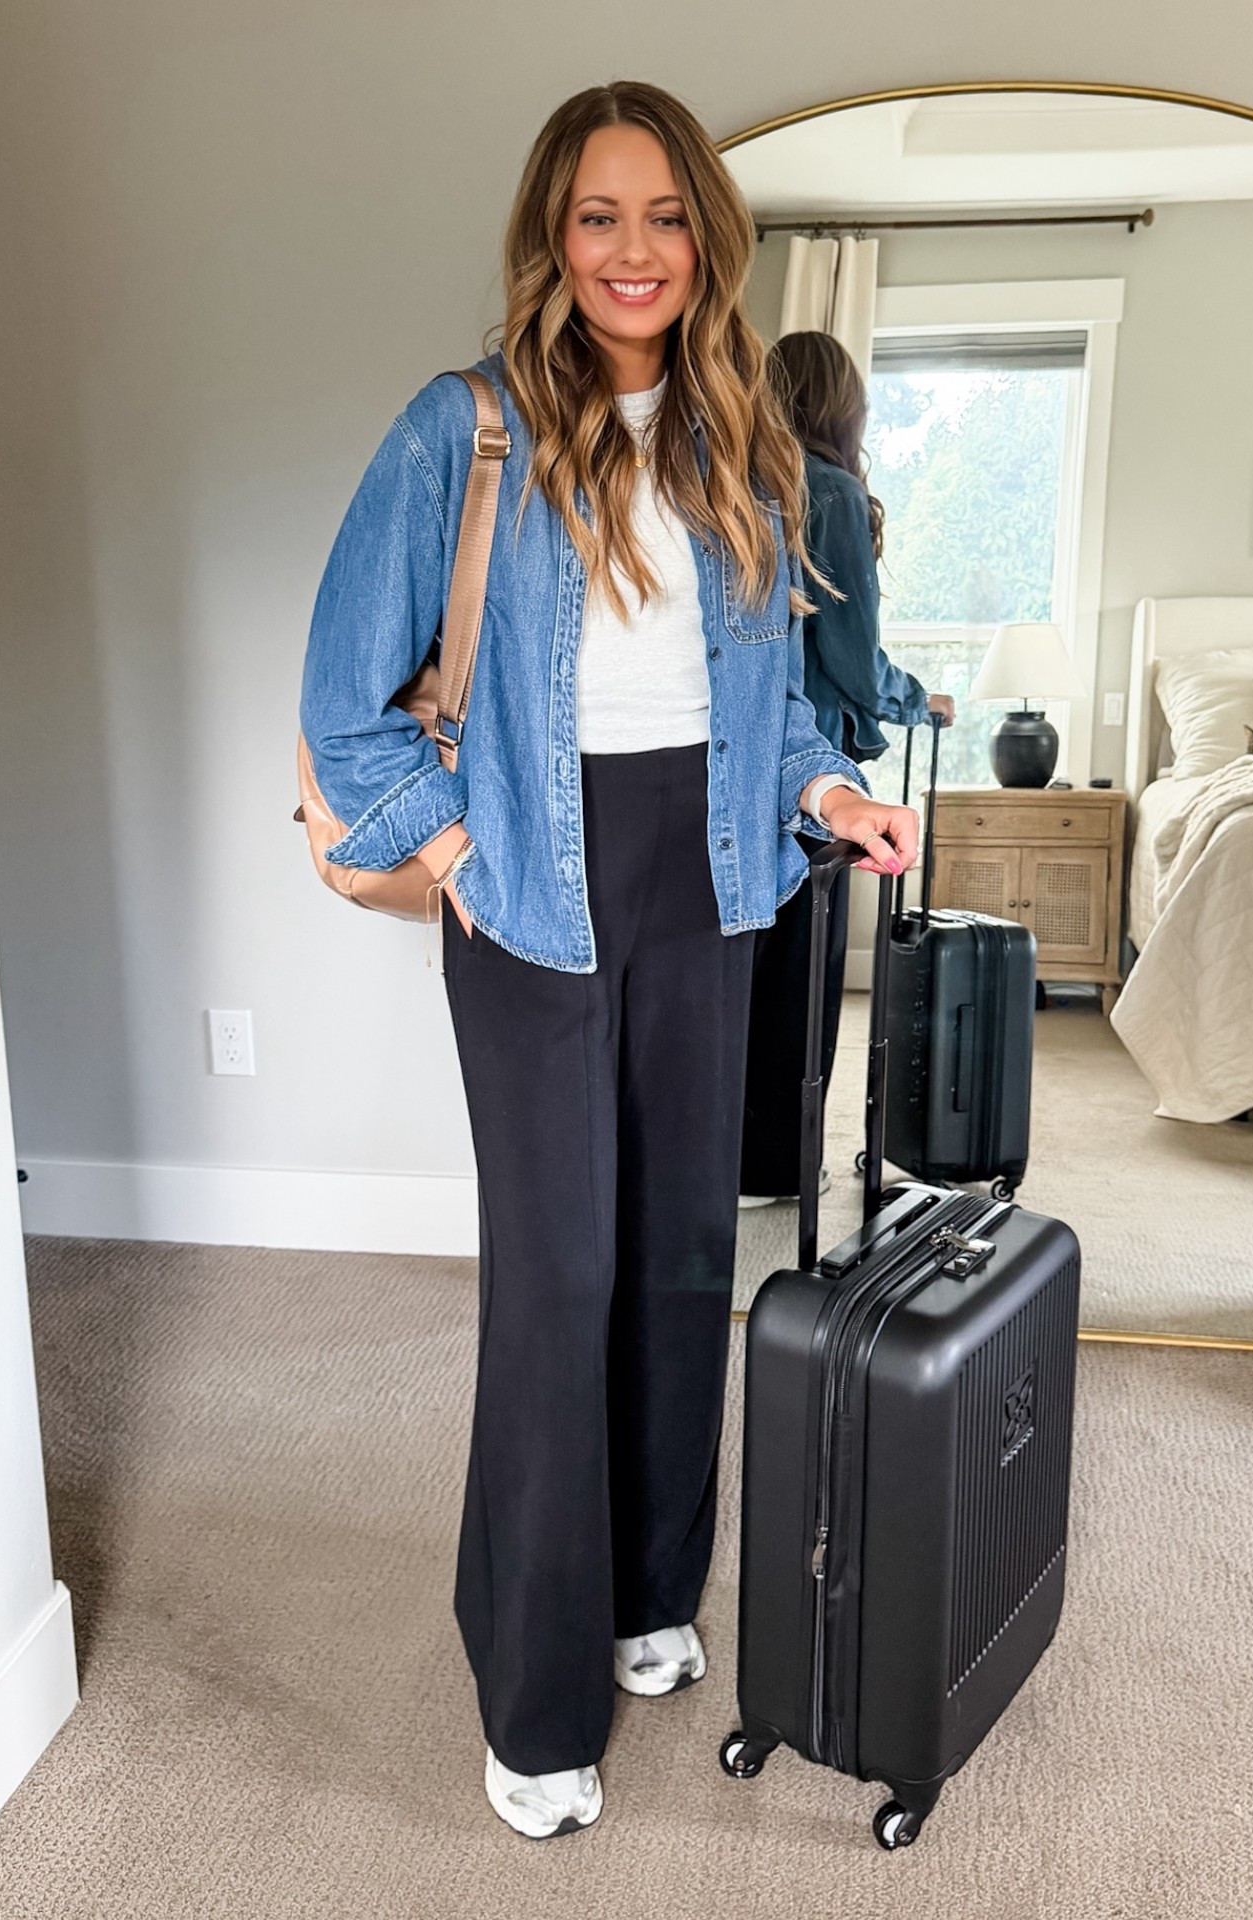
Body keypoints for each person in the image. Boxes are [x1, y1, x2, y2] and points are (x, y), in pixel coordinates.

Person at [299, 83, 918, 1840]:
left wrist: (829, 794)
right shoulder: (465, 430)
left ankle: (653, 1597)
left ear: (706, 243)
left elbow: (780, 702)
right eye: (596, 217)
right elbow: (347, 705)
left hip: (714, 878)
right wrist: (453, 862)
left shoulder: (749, 450)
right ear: (552, 240)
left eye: (663, 217)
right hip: (538, 890)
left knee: (672, 1263)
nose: (632, 251)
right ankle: (537, 1685)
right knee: (558, 1285)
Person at [739, 331, 954, 1205]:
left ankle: (733, 1157)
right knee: (806, 972)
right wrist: (918, 698)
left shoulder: (740, 480)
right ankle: (776, 1165)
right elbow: (856, 660)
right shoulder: (827, 490)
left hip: (739, 763)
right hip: (811, 774)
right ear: (843, 406)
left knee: (747, 966)